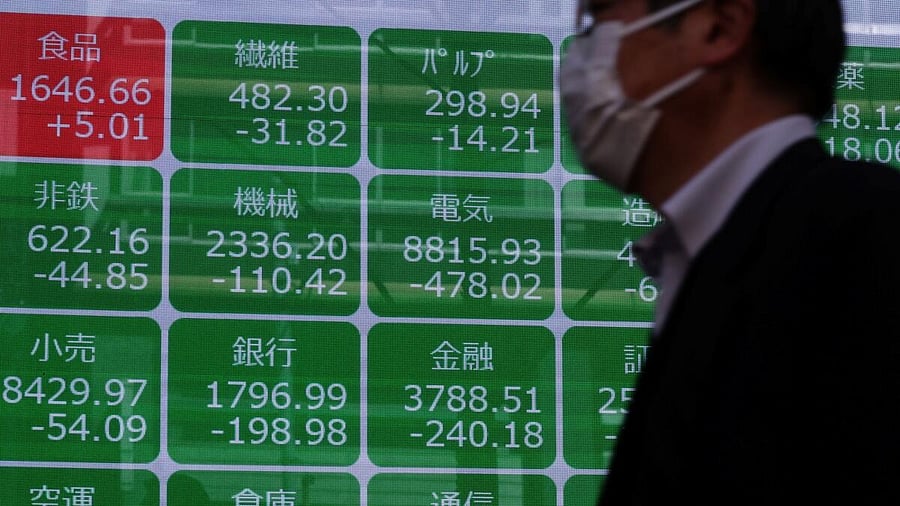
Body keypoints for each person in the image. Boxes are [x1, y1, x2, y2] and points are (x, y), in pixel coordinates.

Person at [561, 0, 900, 504]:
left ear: (719, 28)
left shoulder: (870, 232)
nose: (578, 59)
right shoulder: (701, 263)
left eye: (600, 21)